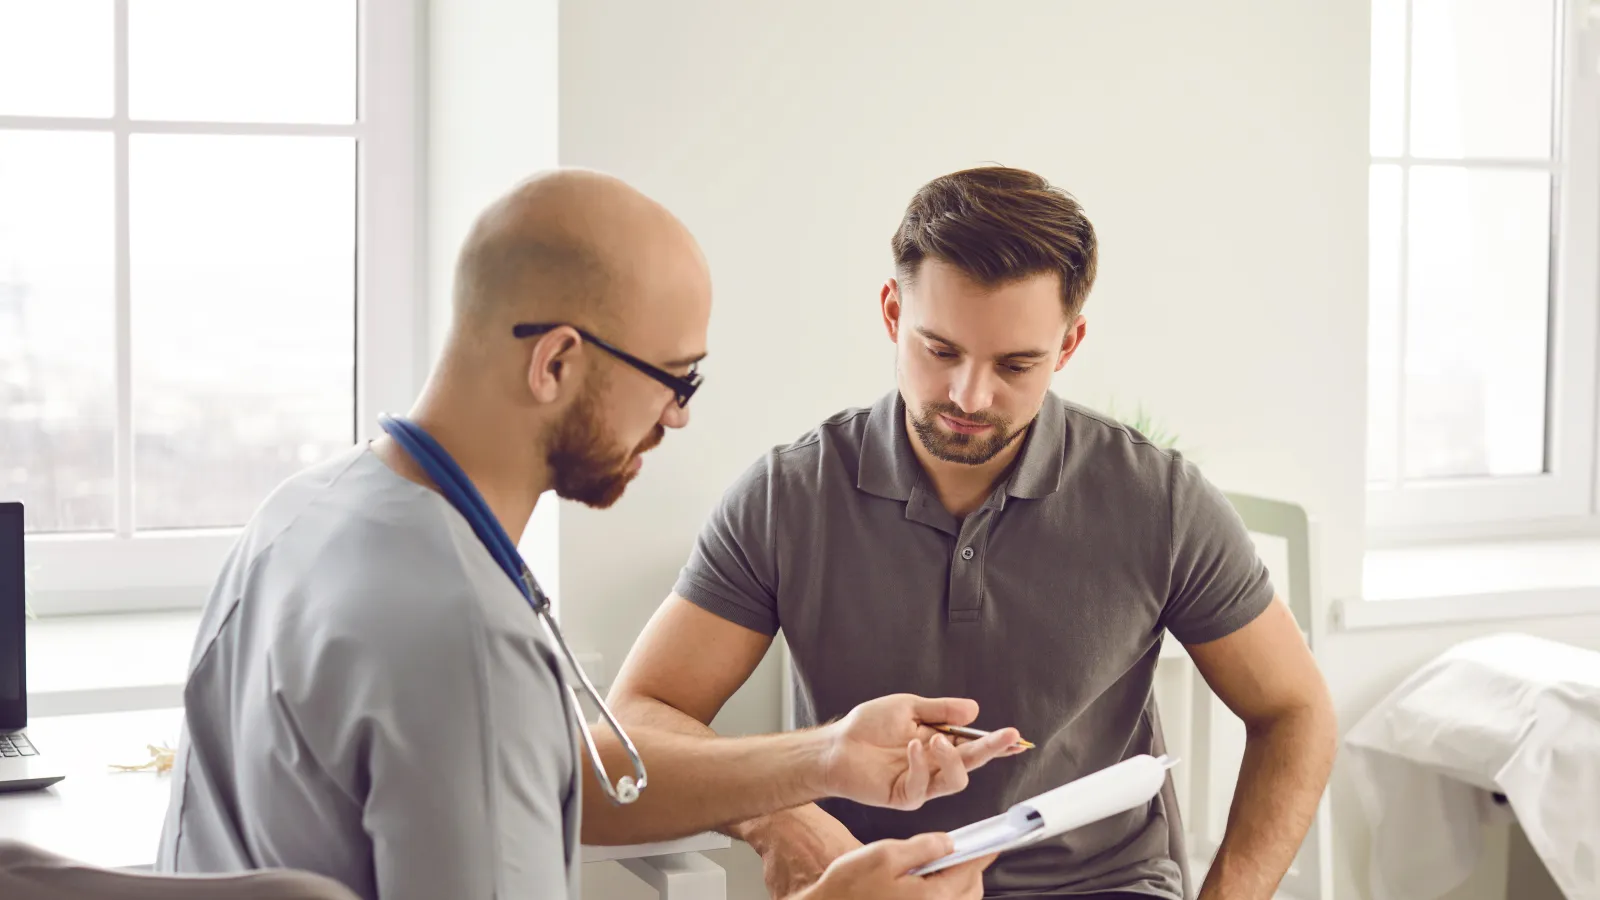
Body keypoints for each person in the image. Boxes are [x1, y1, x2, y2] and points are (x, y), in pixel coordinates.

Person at [155, 169, 1023, 900]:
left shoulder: (302, 513)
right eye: (676, 379)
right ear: (557, 362)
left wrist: (826, 757)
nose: (679, 418)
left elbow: (579, 778)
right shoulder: (465, 640)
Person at [607, 166, 1339, 900]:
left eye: (1016, 365)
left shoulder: (1159, 499)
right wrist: (777, 814)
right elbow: (639, 722)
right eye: (940, 350)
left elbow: (1294, 710)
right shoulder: (787, 498)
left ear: (1069, 344)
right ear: (893, 315)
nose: (969, 396)